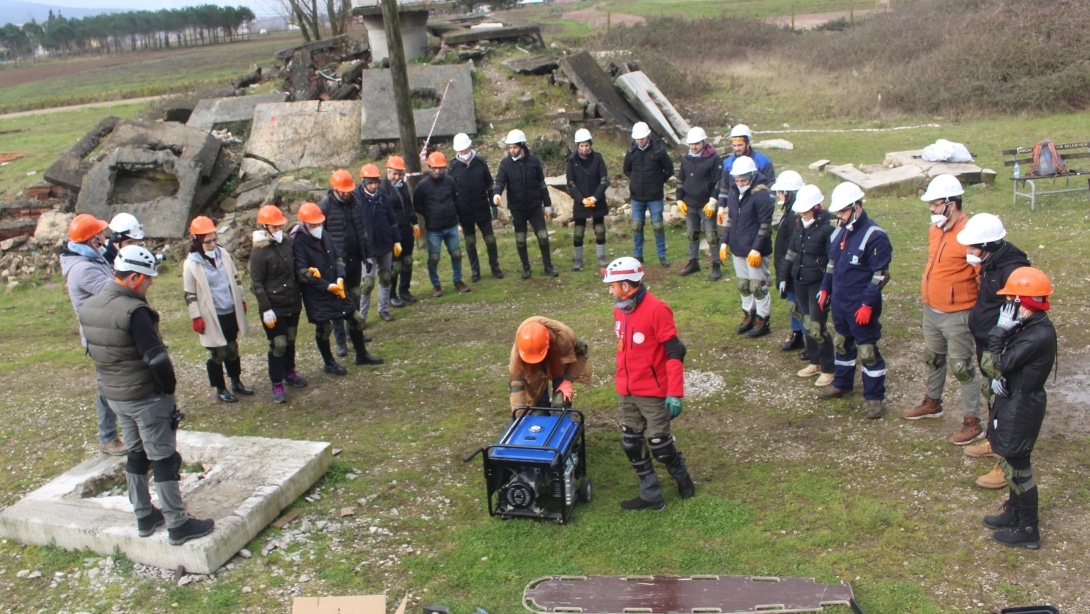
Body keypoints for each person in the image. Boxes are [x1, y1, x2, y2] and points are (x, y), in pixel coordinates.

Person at [78, 245, 215, 545]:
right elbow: (156, 359)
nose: (151, 283)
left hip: (116, 397)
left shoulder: (89, 307)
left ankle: (144, 515)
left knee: (136, 453)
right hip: (146, 398)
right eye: (148, 279)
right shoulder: (135, 312)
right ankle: (178, 524)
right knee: (164, 457)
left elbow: (95, 353)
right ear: (133, 279)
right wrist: (168, 389)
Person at [603, 256, 695, 511]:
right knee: (631, 442)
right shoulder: (620, 308)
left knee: (660, 445)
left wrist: (674, 393)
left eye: (612, 285)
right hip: (627, 389)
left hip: (653, 392)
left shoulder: (657, 309)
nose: (610, 290)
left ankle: (683, 479)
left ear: (625, 284)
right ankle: (651, 495)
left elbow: (675, 351)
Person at [902, 175, 983, 446]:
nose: (932, 210)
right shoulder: (935, 230)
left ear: (952, 204)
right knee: (933, 358)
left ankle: (973, 422)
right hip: (932, 308)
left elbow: (981, 275)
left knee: (962, 367)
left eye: (936, 204)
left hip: (958, 313)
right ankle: (933, 403)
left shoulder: (971, 233)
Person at [979, 267, 1056, 549]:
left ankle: (1028, 529)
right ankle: (1014, 512)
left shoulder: (1037, 335)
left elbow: (995, 363)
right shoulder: (1030, 327)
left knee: (1019, 465)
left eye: (1012, 300)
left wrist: (1000, 331)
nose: (1008, 306)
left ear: (1026, 302)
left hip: (1022, 405)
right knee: (1010, 461)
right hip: (1015, 399)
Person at [956, 213, 1031, 489]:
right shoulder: (992, 261)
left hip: (1002, 348)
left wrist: (1003, 347)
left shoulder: (1013, 270)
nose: (968, 252)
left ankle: (1006, 462)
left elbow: (1020, 315)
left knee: (1007, 400)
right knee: (992, 396)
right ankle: (994, 440)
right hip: (987, 342)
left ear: (988, 245)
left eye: (973, 247)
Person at [817, 182, 892, 419]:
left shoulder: (875, 236)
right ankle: (842, 383)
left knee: (867, 351)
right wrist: (825, 290)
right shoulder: (839, 232)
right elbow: (831, 265)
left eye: (842, 212)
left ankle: (874, 397)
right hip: (840, 301)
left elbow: (880, 275)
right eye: (837, 212)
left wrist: (868, 304)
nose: (838, 216)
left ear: (856, 207)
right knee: (842, 344)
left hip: (860, 304)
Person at [60, 213, 125, 456]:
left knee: (115, 382)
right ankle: (108, 438)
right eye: (100, 234)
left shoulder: (90, 259)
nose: (104, 237)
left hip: (105, 332)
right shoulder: (83, 269)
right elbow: (115, 293)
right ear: (91, 240)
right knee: (107, 386)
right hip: (100, 337)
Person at [293, 202, 383, 374]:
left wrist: (341, 278)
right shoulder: (298, 243)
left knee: (355, 318)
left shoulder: (325, 235)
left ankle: (361, 354)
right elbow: (303, 272)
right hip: (317, 294)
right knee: (324, 328)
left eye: (318, 223)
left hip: (337, 286)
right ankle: (329, 363)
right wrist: (327, 286)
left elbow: (338, 258)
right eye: (313, 224)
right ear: (304, 224)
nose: (317, 227)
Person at [183, 216, 252, 403]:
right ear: (198, 241)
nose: (213, 244)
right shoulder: (192, 264)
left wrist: (241, 299)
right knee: (218, 353)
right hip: (212, 315)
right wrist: (195, 316)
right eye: (208, 241)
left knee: (232, 348)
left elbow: (235, 280)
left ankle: (236, 381)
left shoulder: (224, 255)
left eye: (214, 239)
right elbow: (189, 293)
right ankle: (220, 388)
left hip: (229, 309)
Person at [250, 205, 309, 404]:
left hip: (291, 301)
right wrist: (265, 308)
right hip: (274, 306)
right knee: (278, 344)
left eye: (279, 227)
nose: (277, 231)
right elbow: (256, 282)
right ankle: (277, 382)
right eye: (274, 228)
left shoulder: (287, 243)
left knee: (290, 340)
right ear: (265, 227)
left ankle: (290, 372)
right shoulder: (259, 252)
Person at [784, 185, 836, 388]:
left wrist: (827, 286)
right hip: (800, 280)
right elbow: (792, 251)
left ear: (816, 207)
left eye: (806, 212)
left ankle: (828, 368)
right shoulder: (799, 224)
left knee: (818, 325)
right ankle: (814, 361)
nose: (803, 216)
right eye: (801, 212)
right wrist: (784, 276)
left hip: (817, 282)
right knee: (807, 323)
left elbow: (832, 259)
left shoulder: (828, 227)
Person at [718, 155, 775, 337]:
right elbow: (732, 220)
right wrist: (724, 242)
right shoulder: (734, 193)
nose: (740, 183)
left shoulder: (761, 195)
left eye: (743, 180)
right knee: (743, 285)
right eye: (737, 180)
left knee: (757, 286)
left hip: (755, 249)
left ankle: (762, 318)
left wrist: (757, 248)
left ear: (751, 177)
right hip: (738, 246)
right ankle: (748, 314)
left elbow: (765, 224)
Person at [319, 169, 373, 358]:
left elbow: (361, 230)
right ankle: (341, 341)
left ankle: (354, 333)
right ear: (334, 188)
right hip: (335, 263)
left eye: (349, 190)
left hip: (355, 258)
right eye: (343, 190)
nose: (347, 193)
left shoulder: (355, 203)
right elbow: (320, 237)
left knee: (355, 296)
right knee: (338, 300)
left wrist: (366, 255)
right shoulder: (325, 206)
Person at [493, 129, 558, 279]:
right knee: (520, 239)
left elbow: (542, 184)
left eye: (515, 147)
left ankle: (548, 267)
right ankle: (526, 268)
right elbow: (500, 181)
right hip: (517, 209)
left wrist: (547, 204)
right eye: (509, 147)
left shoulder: (534, 162)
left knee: (543, 236)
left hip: (535, 206)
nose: (512, 150)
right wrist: (496, 194)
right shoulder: (505, 164)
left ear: (522, 146)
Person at [508, 317, 591, 418]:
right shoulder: (517, 356)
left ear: (547, 344)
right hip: (533, 371)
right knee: (538, 408)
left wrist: (568, 380)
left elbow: (582, 352)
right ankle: (541, 421)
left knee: (561, 402)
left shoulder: (564, 337)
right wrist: (519, 416)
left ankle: (562, 427)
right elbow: (517, 386)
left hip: (559, 362)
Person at [414, 151, 471, 297]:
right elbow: (418, 205)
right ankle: (436, 284)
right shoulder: (422, 186)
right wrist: (429, 215)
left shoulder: (451, 181)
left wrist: (455, 215)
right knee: (434, 258)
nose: (438, 171)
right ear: (429, 167)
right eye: (435, 168)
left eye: (441, 168)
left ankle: (457, 280)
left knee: (456, 254)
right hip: (434, 229)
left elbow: (455, 199)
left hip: (451, 225)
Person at [449, 133, 503, 282]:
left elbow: (489, 185)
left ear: (470, 147)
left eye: (465, 150)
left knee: (490, 239)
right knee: (470, 241)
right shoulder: (453, 168)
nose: (463, 154)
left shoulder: (480, 163)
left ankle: (495, 267)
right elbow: (451, 193)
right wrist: (456, 213)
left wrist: (493, 205)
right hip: (464, 212)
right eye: (460, 151)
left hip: (482, 209)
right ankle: (475, 271)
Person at [355, 163, 401, 323]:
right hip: (367, 248)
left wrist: (397, 241)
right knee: (367, 283)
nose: (373, 185)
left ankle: (384, 309)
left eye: (376, 182)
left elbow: (393, 221)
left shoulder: (384, 199)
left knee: (386, 277)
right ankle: (362, 315)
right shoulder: (356, 201)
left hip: (385, 244)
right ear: (363, 182)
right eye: (370, 182)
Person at [623, 122, 674, 267]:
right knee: (637, 226)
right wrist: (636, 181)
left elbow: (669, 169)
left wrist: (658, 182)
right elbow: (627, 170)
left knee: (657, 226)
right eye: (637, 139)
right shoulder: (631, 152)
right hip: (637, 196)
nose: (639, 141)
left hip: (655, 196)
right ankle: (638, 256)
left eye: (642, 138)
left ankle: (662, 256)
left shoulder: (659, 151)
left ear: (648, 136)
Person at [677, 126, 722, 279]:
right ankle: (693, 262)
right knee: (692, 234)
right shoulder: (686, 159)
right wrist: (678, 199)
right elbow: (681, 180)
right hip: (689, 203)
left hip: (705, 204)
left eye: (696, 144)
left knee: (711, 235)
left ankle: (716, 265)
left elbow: (718, 181)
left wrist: (713, 200)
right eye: (691, 144)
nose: (693, 147)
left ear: (703, 142)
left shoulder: (714, 159)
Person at [769, 171, 806, 352]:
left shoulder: (795, 216)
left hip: (795, 270)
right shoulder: (790, 211)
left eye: (781, 192)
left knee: (800, 306)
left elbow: (794, 248)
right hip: (788, 269)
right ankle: (797, 334)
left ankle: (808, 342)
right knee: (792, 304)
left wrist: (785, 271)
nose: (778, 196)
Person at [565, 128, 610, 271]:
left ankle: (602, 258)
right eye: (581, 146)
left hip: (597, 200)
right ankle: (578, 261)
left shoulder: (598, 158)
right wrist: (581, 199)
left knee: (600, 229)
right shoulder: (571, 161)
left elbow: (604, 180)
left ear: (590, 145)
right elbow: (570, 183)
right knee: (578, 232)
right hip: (581, 202)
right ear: (577, 146)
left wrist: (595, 197)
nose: (584, 149)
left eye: (586, 145)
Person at [380, 155, 421, 307]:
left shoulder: (403, 186)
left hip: (406, 229)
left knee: (407, 261)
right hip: (392, 233)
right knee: (395, 266)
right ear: (388, 172)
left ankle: (404, 290)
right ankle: (391, 295)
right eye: (394, 173)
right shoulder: (383, 188)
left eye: (400, 174)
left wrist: (415, 223)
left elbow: (409, 206)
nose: (397, 177)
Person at [721, 124, 775, 189]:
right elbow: (725, 187)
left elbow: (771, 185)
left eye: (740, 145)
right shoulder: (728, 163)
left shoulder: (763, 161)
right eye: (734, 146)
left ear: (748, 143)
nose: (736, 149)